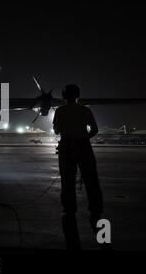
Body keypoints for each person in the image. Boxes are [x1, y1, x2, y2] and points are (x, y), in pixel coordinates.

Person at [53, 84, 103, 250]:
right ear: (78, 95)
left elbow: (56, 130)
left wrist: (68, 133)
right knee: (91, 179)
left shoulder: (59, 111)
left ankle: (69, 209)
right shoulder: (86, 110)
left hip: (67, 146)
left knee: (67, 180)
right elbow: (95, 129)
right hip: (84, 146)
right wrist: (84, 138)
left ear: (63, 96)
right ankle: (95, 208)